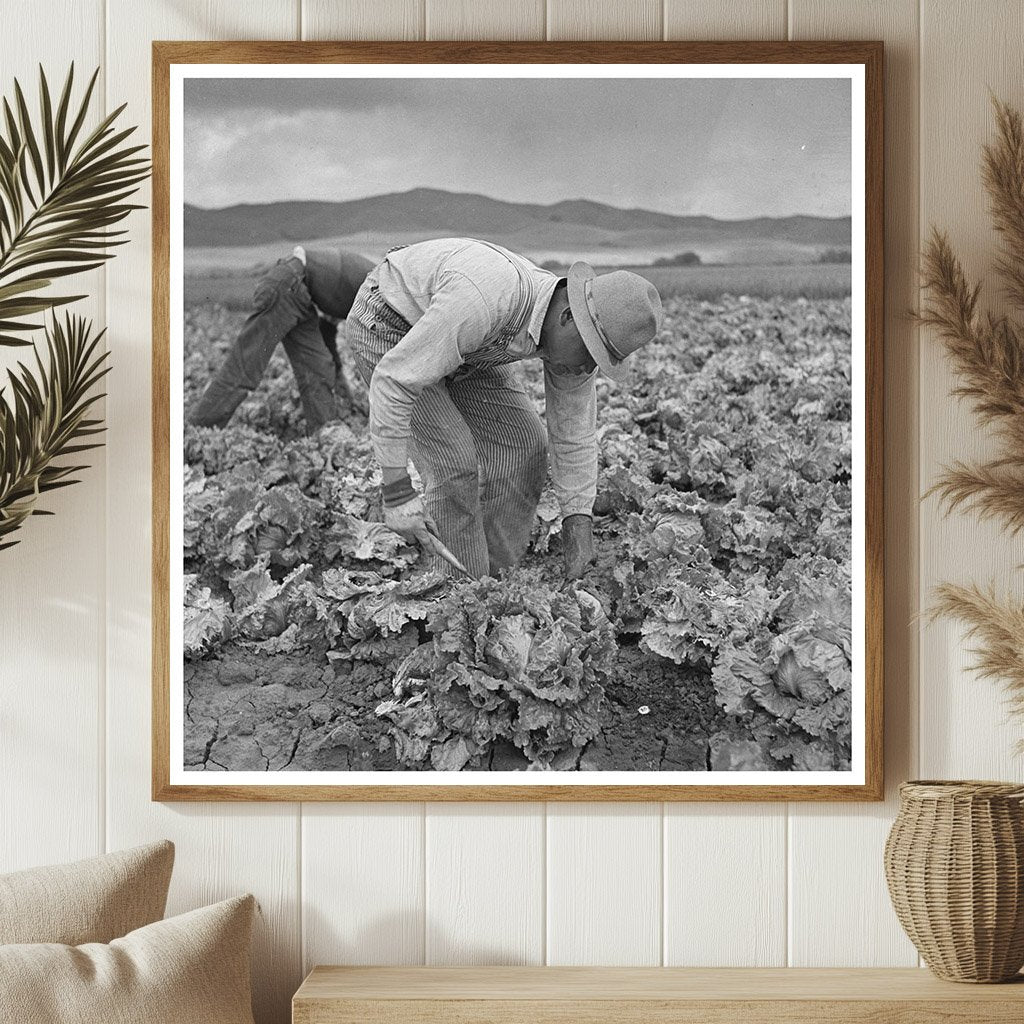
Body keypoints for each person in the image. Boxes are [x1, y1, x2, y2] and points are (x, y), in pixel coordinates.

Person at [345, 237, 664, 580]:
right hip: (391, 323)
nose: (588, 368)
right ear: (569, 317)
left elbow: (574, 435)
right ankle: (457, 597)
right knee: (454, 464)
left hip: (469, 343)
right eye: (590, 356)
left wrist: (578, 532)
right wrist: (396, 493)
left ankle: (497, 581)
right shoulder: (485, 299)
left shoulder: (576, 346)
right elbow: (395, 380)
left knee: (524, 446)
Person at [188, 246, 374, 433]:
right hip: (288, 284)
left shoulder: (370, 290)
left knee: (318, 368)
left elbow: (327, 334)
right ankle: (195, 432)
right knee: (245, 368)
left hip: (300, 293)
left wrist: (342, 385)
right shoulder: (382, 291)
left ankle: (324, 435)